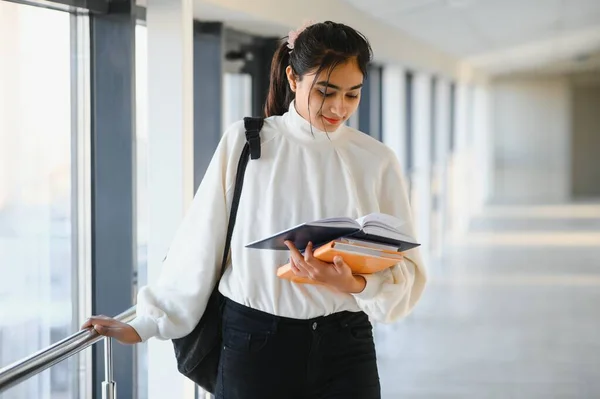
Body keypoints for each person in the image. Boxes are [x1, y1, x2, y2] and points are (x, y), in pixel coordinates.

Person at [83, 20, 427, 399]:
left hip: (346, 345)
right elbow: (201, 242)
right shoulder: (248, 143)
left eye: (352, 94)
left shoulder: (376, 160)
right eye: (326, 91)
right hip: (254, 345)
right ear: (293, 78)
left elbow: (405, 266)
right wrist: (147, 323)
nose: (338, 107)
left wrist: (353, 283)